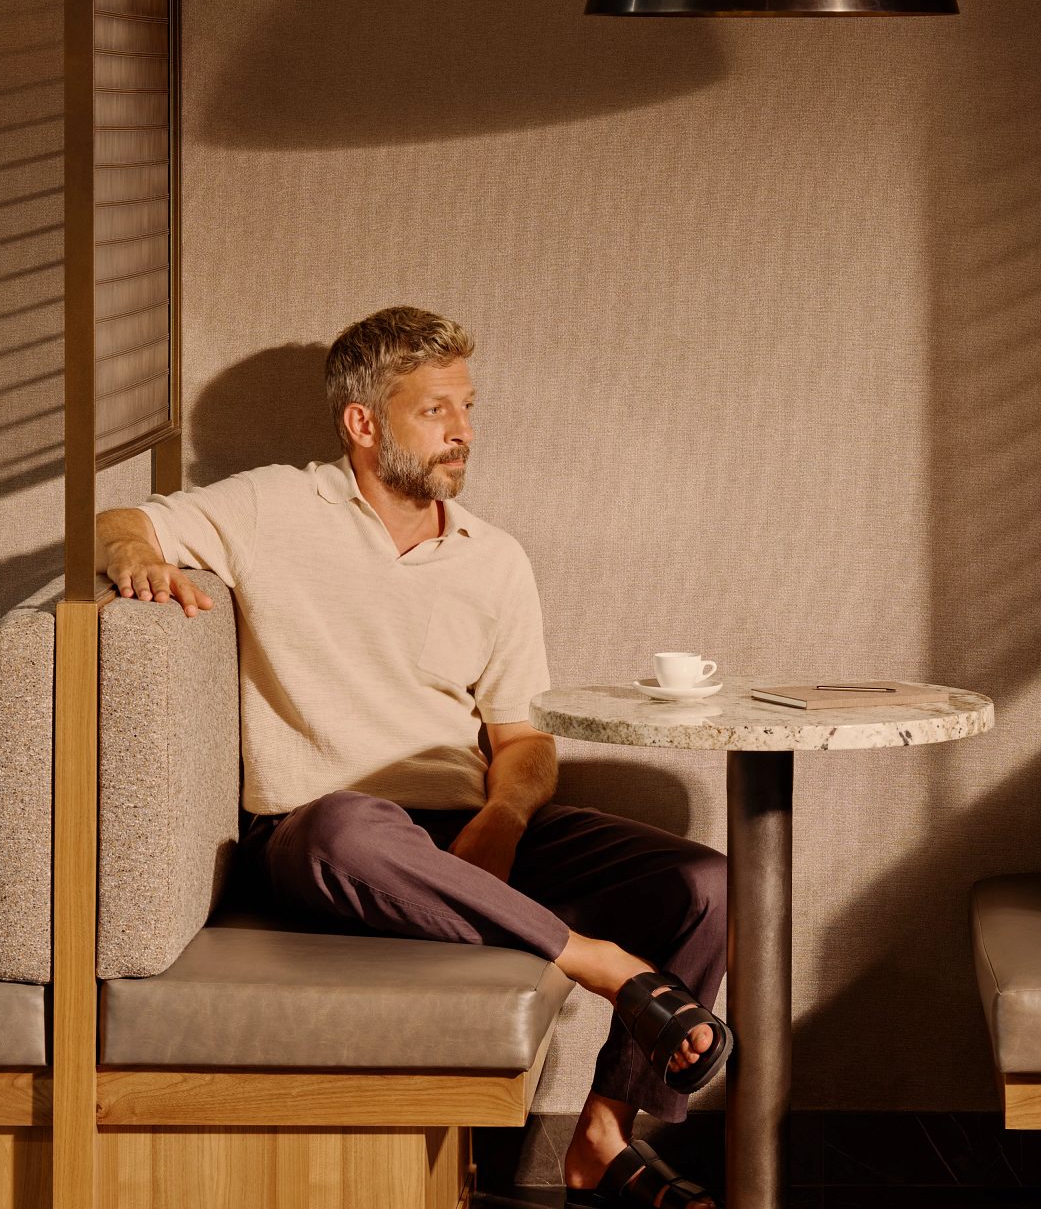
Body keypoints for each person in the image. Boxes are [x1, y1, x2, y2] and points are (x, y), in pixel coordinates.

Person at [95, 306, 730, 1209]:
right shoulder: (275, 505)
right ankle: (598, 963)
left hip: (466, 828)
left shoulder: (495, 559)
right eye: (436, 410)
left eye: (467, 407)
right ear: (364, 423)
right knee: (344, 829)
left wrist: (504, 821)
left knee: (703, 881)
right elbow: (120, 519)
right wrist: (134, 561)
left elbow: (522, 741)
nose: (463, 431)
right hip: (325, 840)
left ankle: (600, 1138)